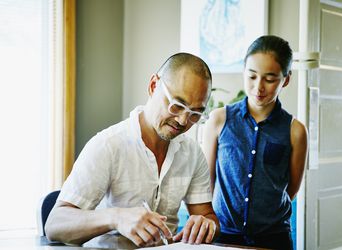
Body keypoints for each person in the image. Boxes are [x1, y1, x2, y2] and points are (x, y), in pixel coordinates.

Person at [45, 53, 220, 248]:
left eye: (195, 114)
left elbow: (206, 214)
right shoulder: (108, 145)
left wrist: (207, 224)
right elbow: (54, 224)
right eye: (177, 106)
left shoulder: (192, 153)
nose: (183, 121)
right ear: (154, 86)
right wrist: (115, 217)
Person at [202, 35, 308, 249]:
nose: (258, 87)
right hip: (223, 236)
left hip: (274, 238)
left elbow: (291, 189)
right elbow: (206, 181)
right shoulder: (218, 120)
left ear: (286, 79)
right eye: (252, 76)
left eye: (269, 79)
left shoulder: (295, 131)